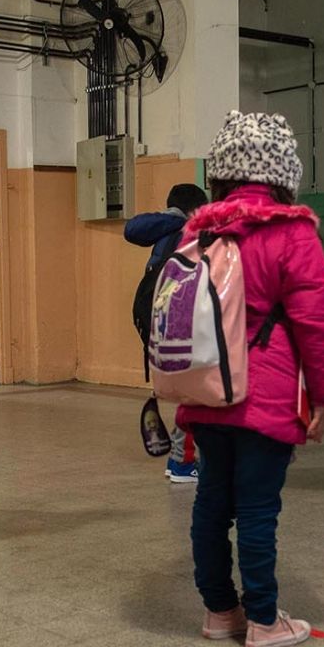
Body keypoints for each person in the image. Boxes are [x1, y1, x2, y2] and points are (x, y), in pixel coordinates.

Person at [176, 110, 324, 647]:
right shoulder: (292, 232)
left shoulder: (199, 231)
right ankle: (265, 621)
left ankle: (220, 611)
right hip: (265, 393)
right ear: (283, 171)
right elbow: (317, 322)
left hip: (205, 388)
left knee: (211, 503)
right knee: (256, 508)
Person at [125, 183, 210, 483]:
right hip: (181, 323)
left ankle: (182, 459)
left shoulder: (168, 233)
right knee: (198, 394)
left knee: (196, 392)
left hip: (161, 322)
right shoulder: (184, 232)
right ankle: (182, 462)